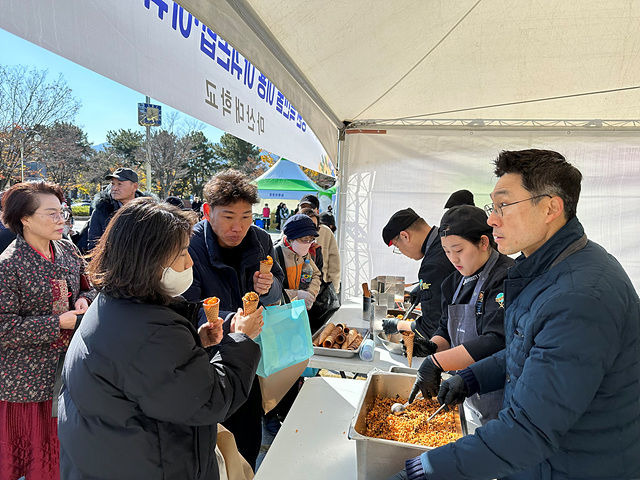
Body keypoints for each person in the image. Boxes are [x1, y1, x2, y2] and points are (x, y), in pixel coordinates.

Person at [390, 149, 640, 480]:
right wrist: (471, 377)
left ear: (551, 207)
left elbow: (530, 430)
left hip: (573, 465)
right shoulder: (548, 267)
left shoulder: (580, 297)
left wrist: (425, 469)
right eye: (492, 207)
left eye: (503, 206)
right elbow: (531, 351)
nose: (492, 218)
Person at [58, 198, 263, 480]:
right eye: (181, 254)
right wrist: (240, 339)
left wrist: (196, 342)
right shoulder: (151, 333)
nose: (190, 261)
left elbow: (153, 376)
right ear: (147, 259)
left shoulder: (115, 303)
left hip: (111, 457)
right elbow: (210, 399)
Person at [184, 169, 284, 470]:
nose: (238, 227)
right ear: (207, 211)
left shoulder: (262, 240)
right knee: (212, 449)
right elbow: (188, 305)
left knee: (247, 441)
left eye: (245, 217)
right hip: (205, 359)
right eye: (228, 216)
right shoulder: (189, 245)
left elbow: (277, 284)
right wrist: (233, 321)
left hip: (249, 355)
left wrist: (267, 289)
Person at [0, 181, 95, 480]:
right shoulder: (9, 264)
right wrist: (58, 323)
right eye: (51, 213)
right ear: (25, 219)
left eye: (62, 212)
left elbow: (89, 285)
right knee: (35, 462)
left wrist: (84, 299)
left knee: (67, 458)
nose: (61, 220)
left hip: (69, 371)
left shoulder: (67, 248)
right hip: (26, 383)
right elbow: (4, 327)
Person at [407, 205, 514, 429]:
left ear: (484, 242)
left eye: (458, 250)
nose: (453, 259)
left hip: (501, 398)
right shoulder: (455, 281)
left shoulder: (506, 278)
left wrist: (436, 363)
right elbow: (446, 328)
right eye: (446, 251)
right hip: (468, 395)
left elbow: (495, 340)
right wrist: (432, 347)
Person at [382, 208, 455, 339]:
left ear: (405, 236)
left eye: (398, 248)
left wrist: (398, 324)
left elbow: (431, 327)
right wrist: (421, 290)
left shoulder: (432, 265)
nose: (403, 253)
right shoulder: (442, 240)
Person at [81, 167, 143, 251]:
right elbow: (93, 244)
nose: (114, 188)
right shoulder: (102, 210)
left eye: (119, 184)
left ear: (135, 186)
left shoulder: (147, 211)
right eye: (113, 184)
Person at [273, 213, 322, 309]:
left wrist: (310, 293)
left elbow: (316, 275)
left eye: (311, 240)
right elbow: (268, 291)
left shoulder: (304, 254)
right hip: (280, 312)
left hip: (299, 310)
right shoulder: (275, 254)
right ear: (291, 238)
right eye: (304, 239)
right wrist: (296, 295)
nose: (308, 244)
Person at [298, 194, 341, 294]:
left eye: (310, 209)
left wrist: (333, 290)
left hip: (320, 290)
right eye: (303, 208)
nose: (306, 212)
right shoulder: (291, 229)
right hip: (295, 289)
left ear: (317, 211)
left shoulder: (326, 232)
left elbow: (334, 265)